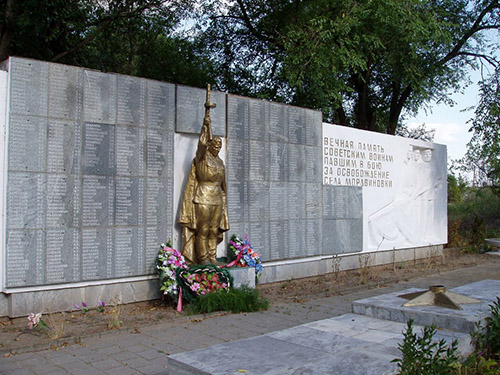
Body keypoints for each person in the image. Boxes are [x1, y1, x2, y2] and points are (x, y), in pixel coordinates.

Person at [178, 85, 229, 265]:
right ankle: (203, 258)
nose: (217, 148)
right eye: (214, 145)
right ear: (209, 146)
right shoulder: (202, 158)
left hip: (217, 198)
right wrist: (206, 121)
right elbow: (201, 143)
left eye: (219, 146)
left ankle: (213, 257)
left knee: (214, 229)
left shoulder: (220, 162)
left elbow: (223, 185)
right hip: (202, 198)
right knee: (203, 229)